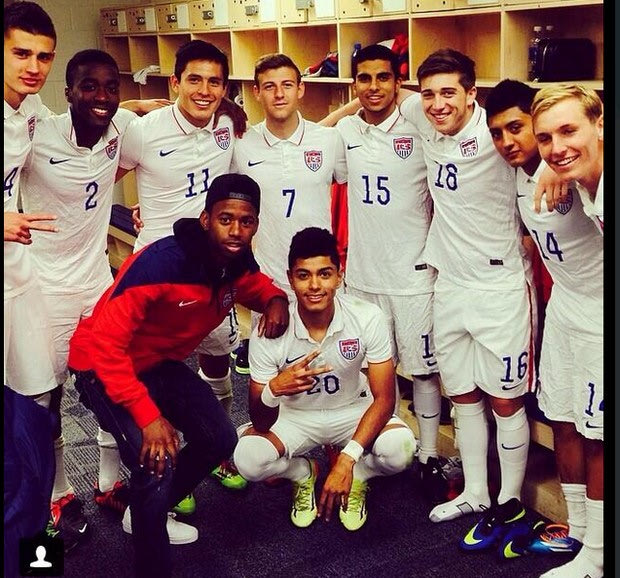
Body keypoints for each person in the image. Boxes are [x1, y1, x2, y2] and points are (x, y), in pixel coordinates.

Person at [67, 173, 289, 577]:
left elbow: (256, 287)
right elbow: (105, 345)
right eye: (225, 219)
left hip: (155, 364)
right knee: (156, 461)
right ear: (206, 219)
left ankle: (145, 510)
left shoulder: (235, 265)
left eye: (246, 221)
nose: (235, 230)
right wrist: (148, 417)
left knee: (219, 438)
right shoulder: (161, 263)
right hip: (100, 366)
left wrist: (276, 300)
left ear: (256, 224)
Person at [117, 39, 248, 494]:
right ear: (175, 82)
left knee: (217, 356)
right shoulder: (144, 131)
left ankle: (217, 456)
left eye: (214, 82)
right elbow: (101, 175)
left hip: (212, 271)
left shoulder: (228, 125)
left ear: (225, 88)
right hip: (157, 272)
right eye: (194, 80)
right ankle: (133, 475)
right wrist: (133, 106)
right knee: (143, 369)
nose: (204, 91)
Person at [233, 227, 416, 531]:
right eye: (304, 275)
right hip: (295, 417)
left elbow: (385, 399)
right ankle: (303, 472)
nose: (315, 285)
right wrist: (274, 390)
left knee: (401, 449)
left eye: (325, 274)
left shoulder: (367, 316)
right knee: (248, 460)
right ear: (291, 278)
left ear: (339, 276)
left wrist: (348, 459)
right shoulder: (270, 329)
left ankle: (359, 476)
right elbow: (261, 421)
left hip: (351, 410)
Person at [503, 83, 606, 578]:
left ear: (600, 125)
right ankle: (580, 529)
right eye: (546, 136)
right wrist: (552, 162)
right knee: (562, 416)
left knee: (598, 434)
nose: (556, 146)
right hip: (566, 303)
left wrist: (555, 160)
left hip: (600, 317)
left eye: (568, 131)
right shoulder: (561, 168)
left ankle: (599, 555)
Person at [334, 43, 443, 502]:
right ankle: (374, 446)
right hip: (362, 276)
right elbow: (321, 150)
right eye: (364, 78)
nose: (374, 86)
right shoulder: (345, 131)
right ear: (353, 84)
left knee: (423, 371)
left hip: (413, 275)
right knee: (368, 372)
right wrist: (341, 112)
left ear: (399, 81)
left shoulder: (419, 121)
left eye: (384, 77)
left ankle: (430, 456)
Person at [4, 1, 58, 557]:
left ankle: (35, 551)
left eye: (44, 56)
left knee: (36, 413)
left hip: (19, 280)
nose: (34, 66)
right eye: (21, 53)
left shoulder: (29, 106)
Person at [231, 53, 347, 296]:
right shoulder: (241, 144)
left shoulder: (330, 139)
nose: (279, 94)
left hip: (319, 278)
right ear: (256, 92)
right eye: (269, 87)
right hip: (268, 278)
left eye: (287, 85)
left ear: (300, 89)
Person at [531, 84, 604, 236]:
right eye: (544, 139)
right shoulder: (585, 175)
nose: (557, 149)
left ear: (600, 127)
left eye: (569, 131)